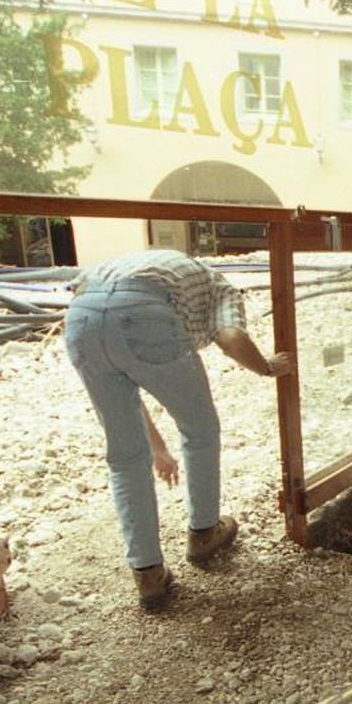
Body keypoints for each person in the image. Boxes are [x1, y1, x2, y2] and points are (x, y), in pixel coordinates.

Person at [65, 250, 294, 609]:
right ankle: (204, 533)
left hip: (80, 320)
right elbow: (231, 338)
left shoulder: (139, 267)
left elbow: (125, 380)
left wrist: (156, 448)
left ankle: (147, 573)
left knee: (125, 457)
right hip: (146, 316)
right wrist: (267, 367)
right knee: (200, 430)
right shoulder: (219, 286)